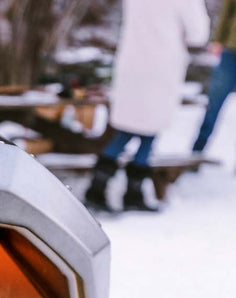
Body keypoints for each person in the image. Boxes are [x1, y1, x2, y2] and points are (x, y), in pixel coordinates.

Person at [85, 0, 210, 213]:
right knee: (149, 130)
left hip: (132, 61)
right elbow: (198, 33)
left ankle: (102, 186)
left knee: (129, 127)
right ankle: (127, 191)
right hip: (161, 66)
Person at [193, 0, 236, 153]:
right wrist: (218, 40)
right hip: (231, 51)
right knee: (214, 103)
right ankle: (196, 152)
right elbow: (227, 11)